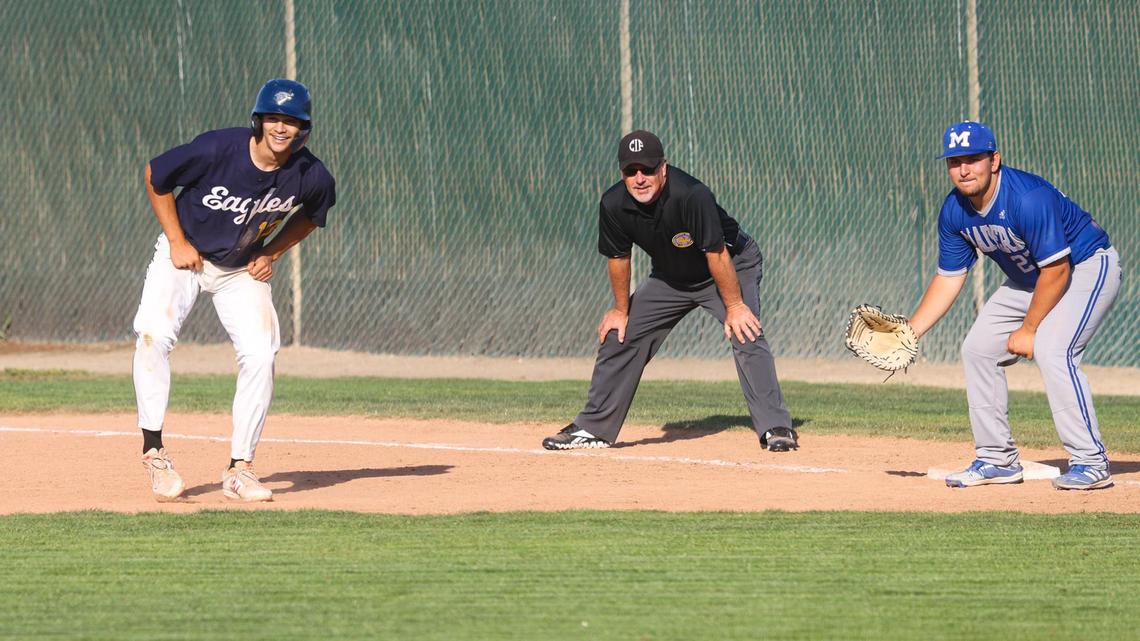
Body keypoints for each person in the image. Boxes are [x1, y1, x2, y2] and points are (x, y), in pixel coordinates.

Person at [134, 79, 336, 502]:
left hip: (240, 267)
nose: (282, 128)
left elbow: (313, 215)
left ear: (303, 128)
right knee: (153, 336)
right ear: (259, 121)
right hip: (185, 255)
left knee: (261, 354)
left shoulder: (310, 174)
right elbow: (157, 174)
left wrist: (274, 251)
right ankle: (154, 454)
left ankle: (240, 469)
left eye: (292, 121)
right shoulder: (218, 149)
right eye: (274, 118)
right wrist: (175, 240)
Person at [542, 130, 797, 452]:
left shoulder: (691, 195)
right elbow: (618, 258)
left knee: (744, 330)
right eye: (630, 171)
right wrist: (621, 310)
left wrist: (734, 306)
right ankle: (594, 428)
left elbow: (716, 253)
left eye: (647, 169)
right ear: (621, 174)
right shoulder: (613, 203)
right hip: (671, 277)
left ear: (663, 168)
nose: (639, 178)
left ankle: (775, 427)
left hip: (728, 265)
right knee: (620, 334)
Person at [910, 121, 1121, 490]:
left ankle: (1091, 461)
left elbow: (1056, 269)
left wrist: (1029, 329)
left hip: (1086, 266)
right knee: (978, 350)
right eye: (954, 161)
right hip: (1031, 280)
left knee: (1053, 350)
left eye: (973, 159)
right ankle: (996, 459)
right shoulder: (954, 210)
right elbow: (949, 277)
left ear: (994, 160)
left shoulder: (1026, 197)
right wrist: (911, 333)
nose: (963, 169)